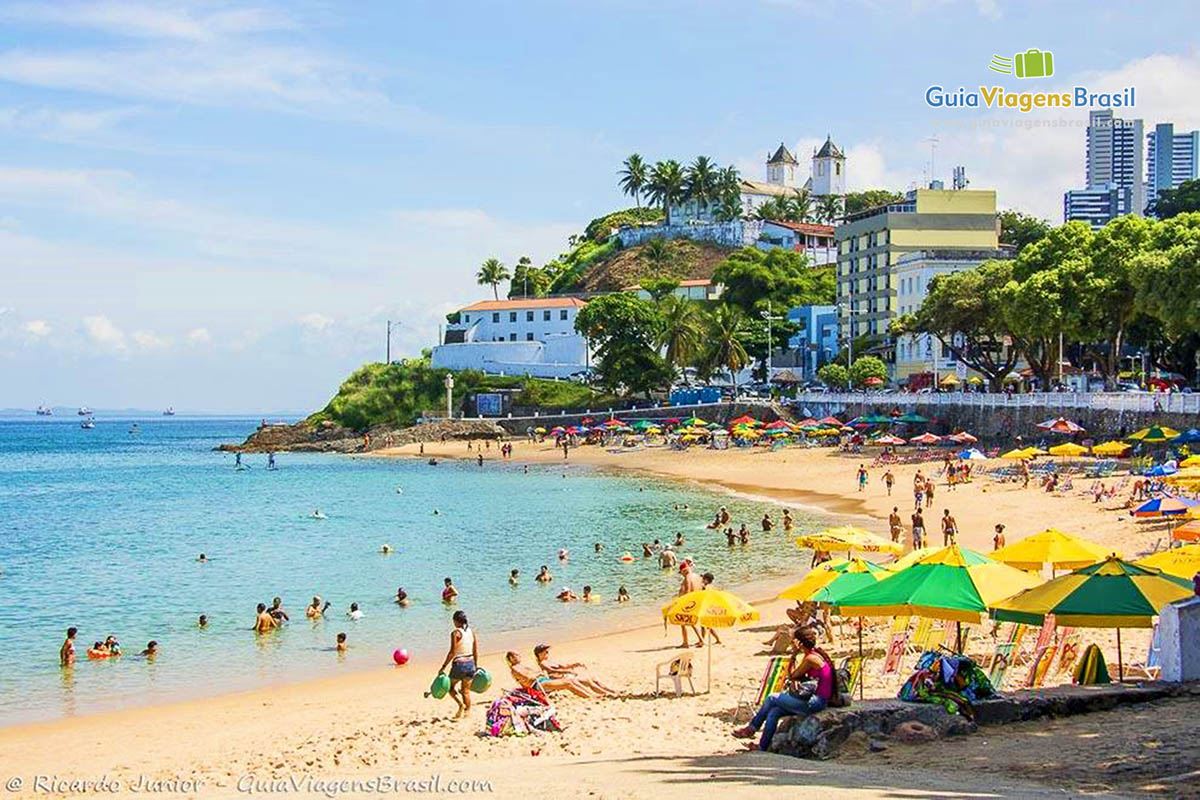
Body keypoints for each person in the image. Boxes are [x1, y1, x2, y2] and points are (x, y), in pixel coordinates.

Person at [732, 627, 836, 751]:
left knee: (771, 698)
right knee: (774, 712)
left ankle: (752, 728)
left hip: (815, 702)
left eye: (794, 641)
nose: (792, 643)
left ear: (799, 643)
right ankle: (762, 746)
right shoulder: (815, 655)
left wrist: (793, 655)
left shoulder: (810, 659)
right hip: (816, 700)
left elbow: (792, 675)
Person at [437, 610, 479, 719]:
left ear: (455, 621)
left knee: (450, 688)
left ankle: (460, 705)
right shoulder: (471, 632)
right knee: (466, 691)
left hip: (459, 665)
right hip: (470, 664)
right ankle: (467, 712)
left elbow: (452, 652)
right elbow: (475, 651)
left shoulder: (456, 633)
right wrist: (476, 666)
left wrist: (443, 667)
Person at [534, 644, 619, 696]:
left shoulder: (550, 661)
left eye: (547, 651)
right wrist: (568, 671)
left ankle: (611, 691)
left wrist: (575, 664)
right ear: (539, 654)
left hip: (566, 676)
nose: (547, 653)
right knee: (588, 681)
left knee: (593, 679)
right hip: (560, 679)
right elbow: (553, 671)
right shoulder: (543, 663)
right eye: (545, 652)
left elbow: (564, 666)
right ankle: (605, 693)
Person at [505, 651, 596, 698]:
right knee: (567, 684)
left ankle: (590, 694)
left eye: (519, 655)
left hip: (541, 681)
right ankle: (590, 697)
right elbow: (529, 678)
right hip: (537, 685)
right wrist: (539, 674)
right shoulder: (515, 669)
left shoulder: (521, 666)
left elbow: (534, 674)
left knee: (570, 681)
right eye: (517, 655)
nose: (519, 657)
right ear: (511, 658)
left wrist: (538, 674)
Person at [677, 561, 704, 648]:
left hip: (689, 602)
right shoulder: (697, 577)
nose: (682, 575)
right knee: (692, 622)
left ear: (684, 570)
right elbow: (702, 587)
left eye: (681, 573)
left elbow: (687, 590)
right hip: (697, 600)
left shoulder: (688, 578)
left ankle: (685, 642)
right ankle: (701, 639)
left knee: (682, 622)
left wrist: (683, 603)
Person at [700, 572, 722, 645]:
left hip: (706, 608)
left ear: (706, 580)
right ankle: (703, 640)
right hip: (710, 607)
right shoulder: (711, 587)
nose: (702, 580)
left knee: (705, 625)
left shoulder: (705, 587)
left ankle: (703, 641)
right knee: (705, 625)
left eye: (703, 579)